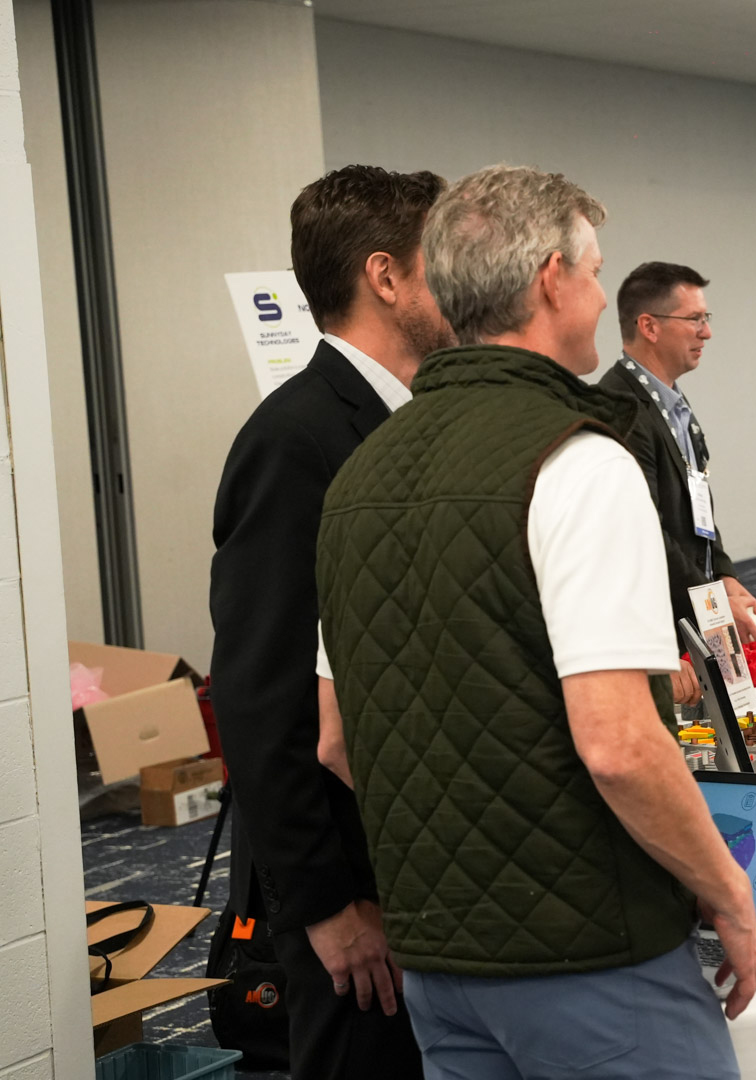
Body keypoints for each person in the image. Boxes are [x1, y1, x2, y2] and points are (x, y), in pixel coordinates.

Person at [314, 165, 756, 1078]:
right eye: (594, 274)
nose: (600, 297)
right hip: (593, 954)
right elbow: (619, 746)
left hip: (439, 957)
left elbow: (336, 739)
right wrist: (724, 889)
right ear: (553, 279)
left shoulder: (358, 477)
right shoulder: (580, 463)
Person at [209, 166, 449, 1080]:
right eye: (440, 259)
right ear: (384, 276)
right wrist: (324, 907)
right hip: (352, 895)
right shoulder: (295, 437)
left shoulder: (414, 417)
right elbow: (259, 700)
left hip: (418, 874)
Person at [599, 262, 756, 710]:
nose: (706, 332)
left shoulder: (673, 403)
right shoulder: (621, 407)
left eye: (705, 318)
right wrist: (713, 603)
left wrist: (724, 574)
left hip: (689, 613)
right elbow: (645, 533)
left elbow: (697, 501)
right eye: (694, 319)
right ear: (649, 326)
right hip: (658, 632)